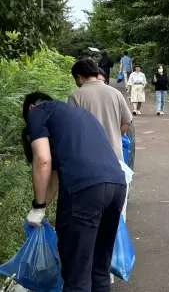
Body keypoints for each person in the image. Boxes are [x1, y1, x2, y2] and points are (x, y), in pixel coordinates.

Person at [22, 92, 127, 292]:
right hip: (117, 186)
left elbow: (43, 161)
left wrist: (37, 206)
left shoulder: (37, 113)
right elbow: (52, 179)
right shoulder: (81, 116)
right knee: (99, 269)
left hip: (85, 191)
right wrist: (40, 209)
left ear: (30, 109)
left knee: (77, 274)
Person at [68, 59, 133, 162]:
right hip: (115, 155)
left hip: (89, 156)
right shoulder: (115, 93)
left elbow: (73, 129)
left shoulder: (75, 96)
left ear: (79, 77)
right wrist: (114, 136)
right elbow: (126, 121)